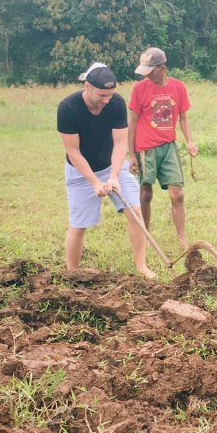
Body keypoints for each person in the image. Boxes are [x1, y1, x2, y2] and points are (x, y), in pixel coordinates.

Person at [57, 62, 155, 279]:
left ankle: (141, 266)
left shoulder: (116, 103)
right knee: (79, 225)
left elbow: (120, 144)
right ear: (87, 87)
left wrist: (113, 177)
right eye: (102, 95)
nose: (106, 100)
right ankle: (72, 273)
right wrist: (94, 182)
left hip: (112, 166)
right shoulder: (68, 108)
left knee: (136, 213)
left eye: (110, 94)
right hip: (80, 172)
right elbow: (73, 152)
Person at [128, 47, 198, 250]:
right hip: (145, 148)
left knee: (178, 194)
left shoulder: (178, 87)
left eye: (151, 70)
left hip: (169, 147)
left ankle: (182, 239)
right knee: (145, 194)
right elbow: (131, 122)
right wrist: (131, 154)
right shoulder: (139, 89)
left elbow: (183, 117)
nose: (147, 75)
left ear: (162, 68)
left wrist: (190, 141)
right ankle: (145, 235)